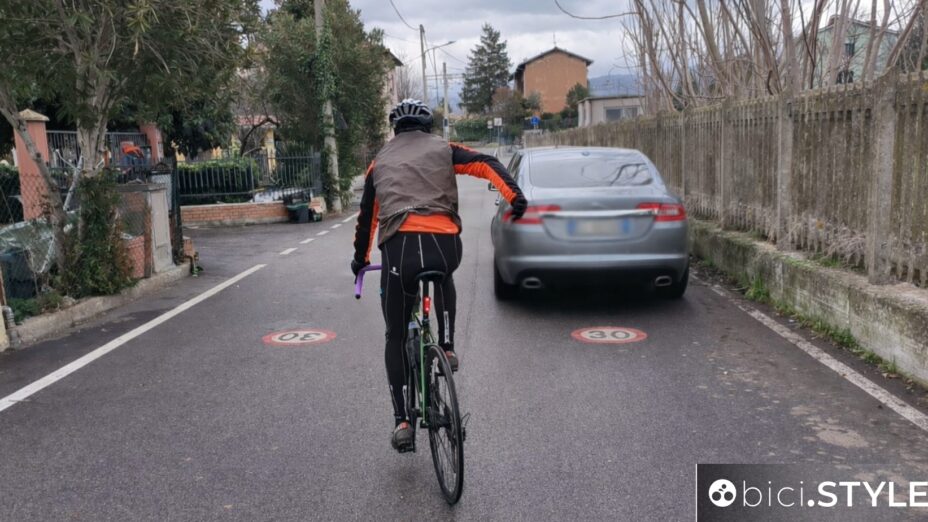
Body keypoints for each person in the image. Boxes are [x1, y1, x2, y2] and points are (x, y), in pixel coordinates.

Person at [351, 99, 527, 451]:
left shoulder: (379, 162)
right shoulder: (445, 149)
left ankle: (402, 420)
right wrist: (516, 198)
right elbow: (486, 163)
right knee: (443, 275)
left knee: (396, 335)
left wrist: (360, 259)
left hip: (400, 249)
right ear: (428, 127)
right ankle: (446, 348)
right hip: (444, 244)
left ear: (395, 129)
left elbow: (367, 217)